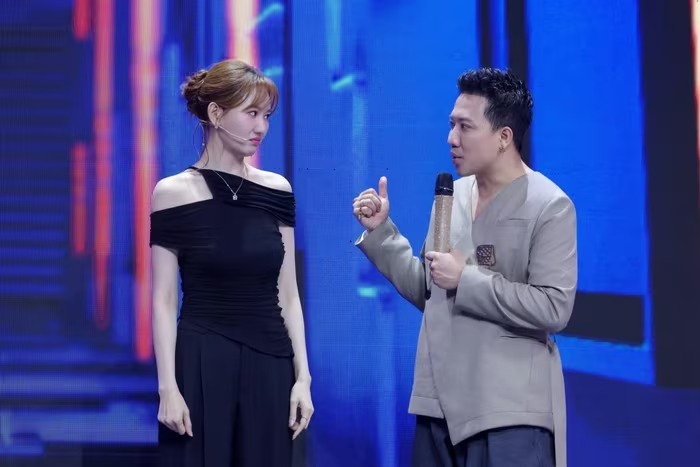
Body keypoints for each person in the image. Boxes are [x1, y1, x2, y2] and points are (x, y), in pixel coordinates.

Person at [352, 68, 577, 467]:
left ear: (504, 137)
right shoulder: (452, 195)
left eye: (465, 127)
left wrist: (467, 279)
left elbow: (553, 307)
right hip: (437, 404)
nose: (451, 138)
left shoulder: (550, 205)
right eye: (451, 124)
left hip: (508, 412)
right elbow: (431, 290)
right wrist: (382, 233)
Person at [150, 59, 313, 467]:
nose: (262, 127)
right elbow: (163, 300)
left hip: (271, 361)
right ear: (216, 114)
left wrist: (303, 378)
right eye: (251, 113)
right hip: (202, 360)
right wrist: (167, 387)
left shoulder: (277, 190)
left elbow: (289, 294)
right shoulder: (172, 193)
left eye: (267, 116)